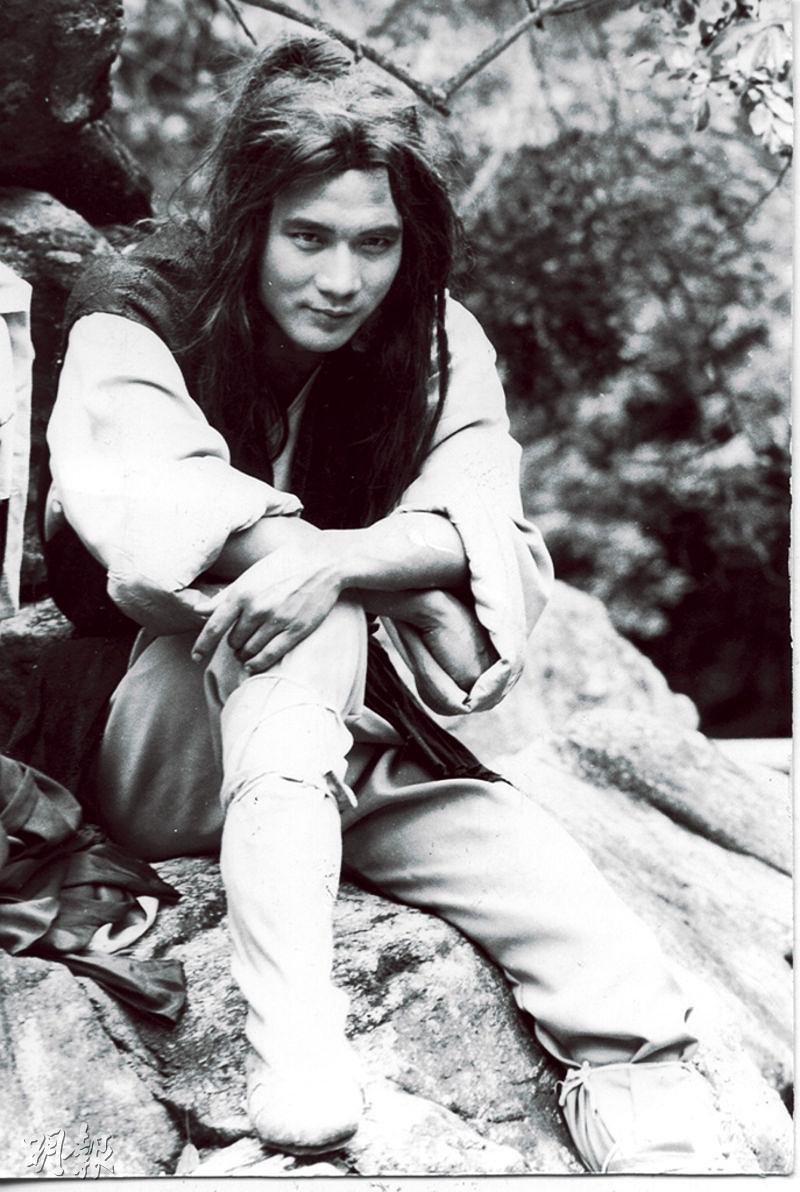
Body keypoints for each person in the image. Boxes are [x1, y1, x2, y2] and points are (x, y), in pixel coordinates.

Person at [44, 35, 726, 1173]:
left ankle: (652, 1113)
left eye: (376, 241)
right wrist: (372, 574)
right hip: (148, 728)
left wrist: (347, 562)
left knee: (534, 870)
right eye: (307, 236)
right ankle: (297, 1044)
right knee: (304, 611)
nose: (341, 279)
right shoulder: (135, 306)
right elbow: (156, 514)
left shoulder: (431, 333)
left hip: (327, 748)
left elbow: (485, 530)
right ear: (250, 222)